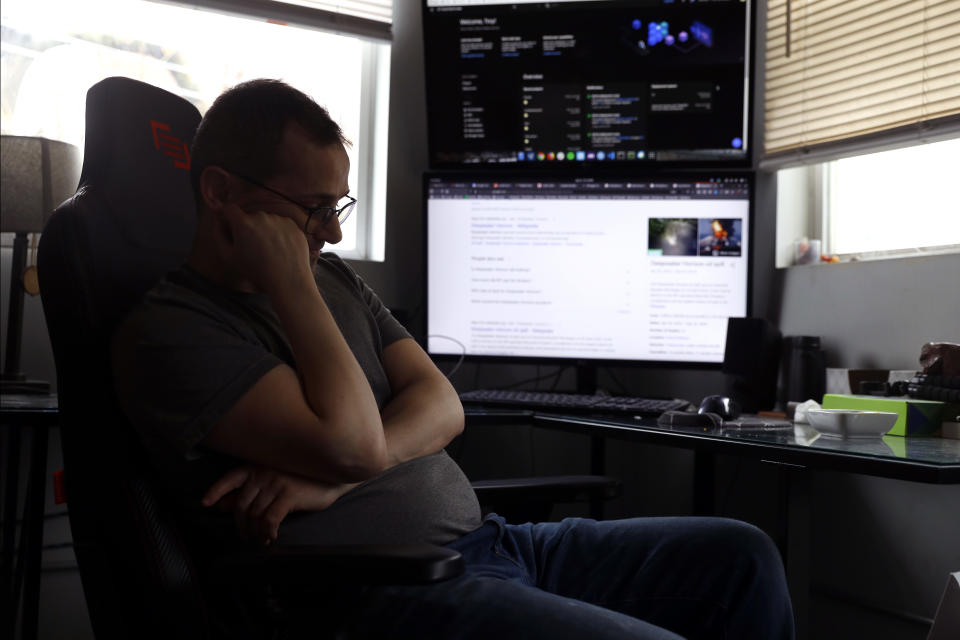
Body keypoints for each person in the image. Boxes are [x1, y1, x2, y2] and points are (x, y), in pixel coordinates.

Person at [112, 79, 794, 639]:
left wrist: (333, 484)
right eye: (313, 209)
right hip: (372, 593)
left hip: (492, 546)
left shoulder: (335, 278)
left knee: (742, 556)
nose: (334, 230)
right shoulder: (173, 331)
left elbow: (441, 404)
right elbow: (350, 444)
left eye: (338, 205)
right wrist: (291, 284)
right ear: (221, 193)